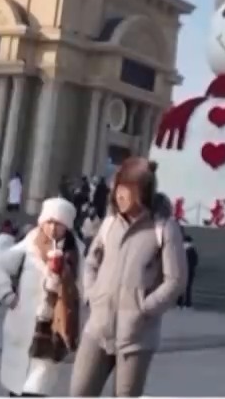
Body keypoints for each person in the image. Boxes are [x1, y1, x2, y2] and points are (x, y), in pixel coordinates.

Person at [69, 157, 186, 398]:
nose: (118, 195)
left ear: (142, 191)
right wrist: (92, 293)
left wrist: (144, 308)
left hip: (136, 337)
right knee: (79, 392)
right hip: (97, 328)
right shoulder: (109, 223)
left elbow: (175, 280)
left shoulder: (164, 228)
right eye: (117, 189)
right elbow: (91, 261)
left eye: (125, 189)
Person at [0, 197, 82, 397]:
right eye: (49, 222)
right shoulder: (30, 244)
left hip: (54, 328)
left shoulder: (76, 252)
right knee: (17, 386)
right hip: (23, 326)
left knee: (37, 388)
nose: (53, 228)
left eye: (59, 223)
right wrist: (7, 294)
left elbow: (87, 285)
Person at [179, 236, 198, 308]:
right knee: (188, 288)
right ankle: (187, 302)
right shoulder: (192, 251)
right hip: (190, 272)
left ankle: (180, 302)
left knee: (181, 287)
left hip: (183, 272)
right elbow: (195, 262)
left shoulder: (183, 251)